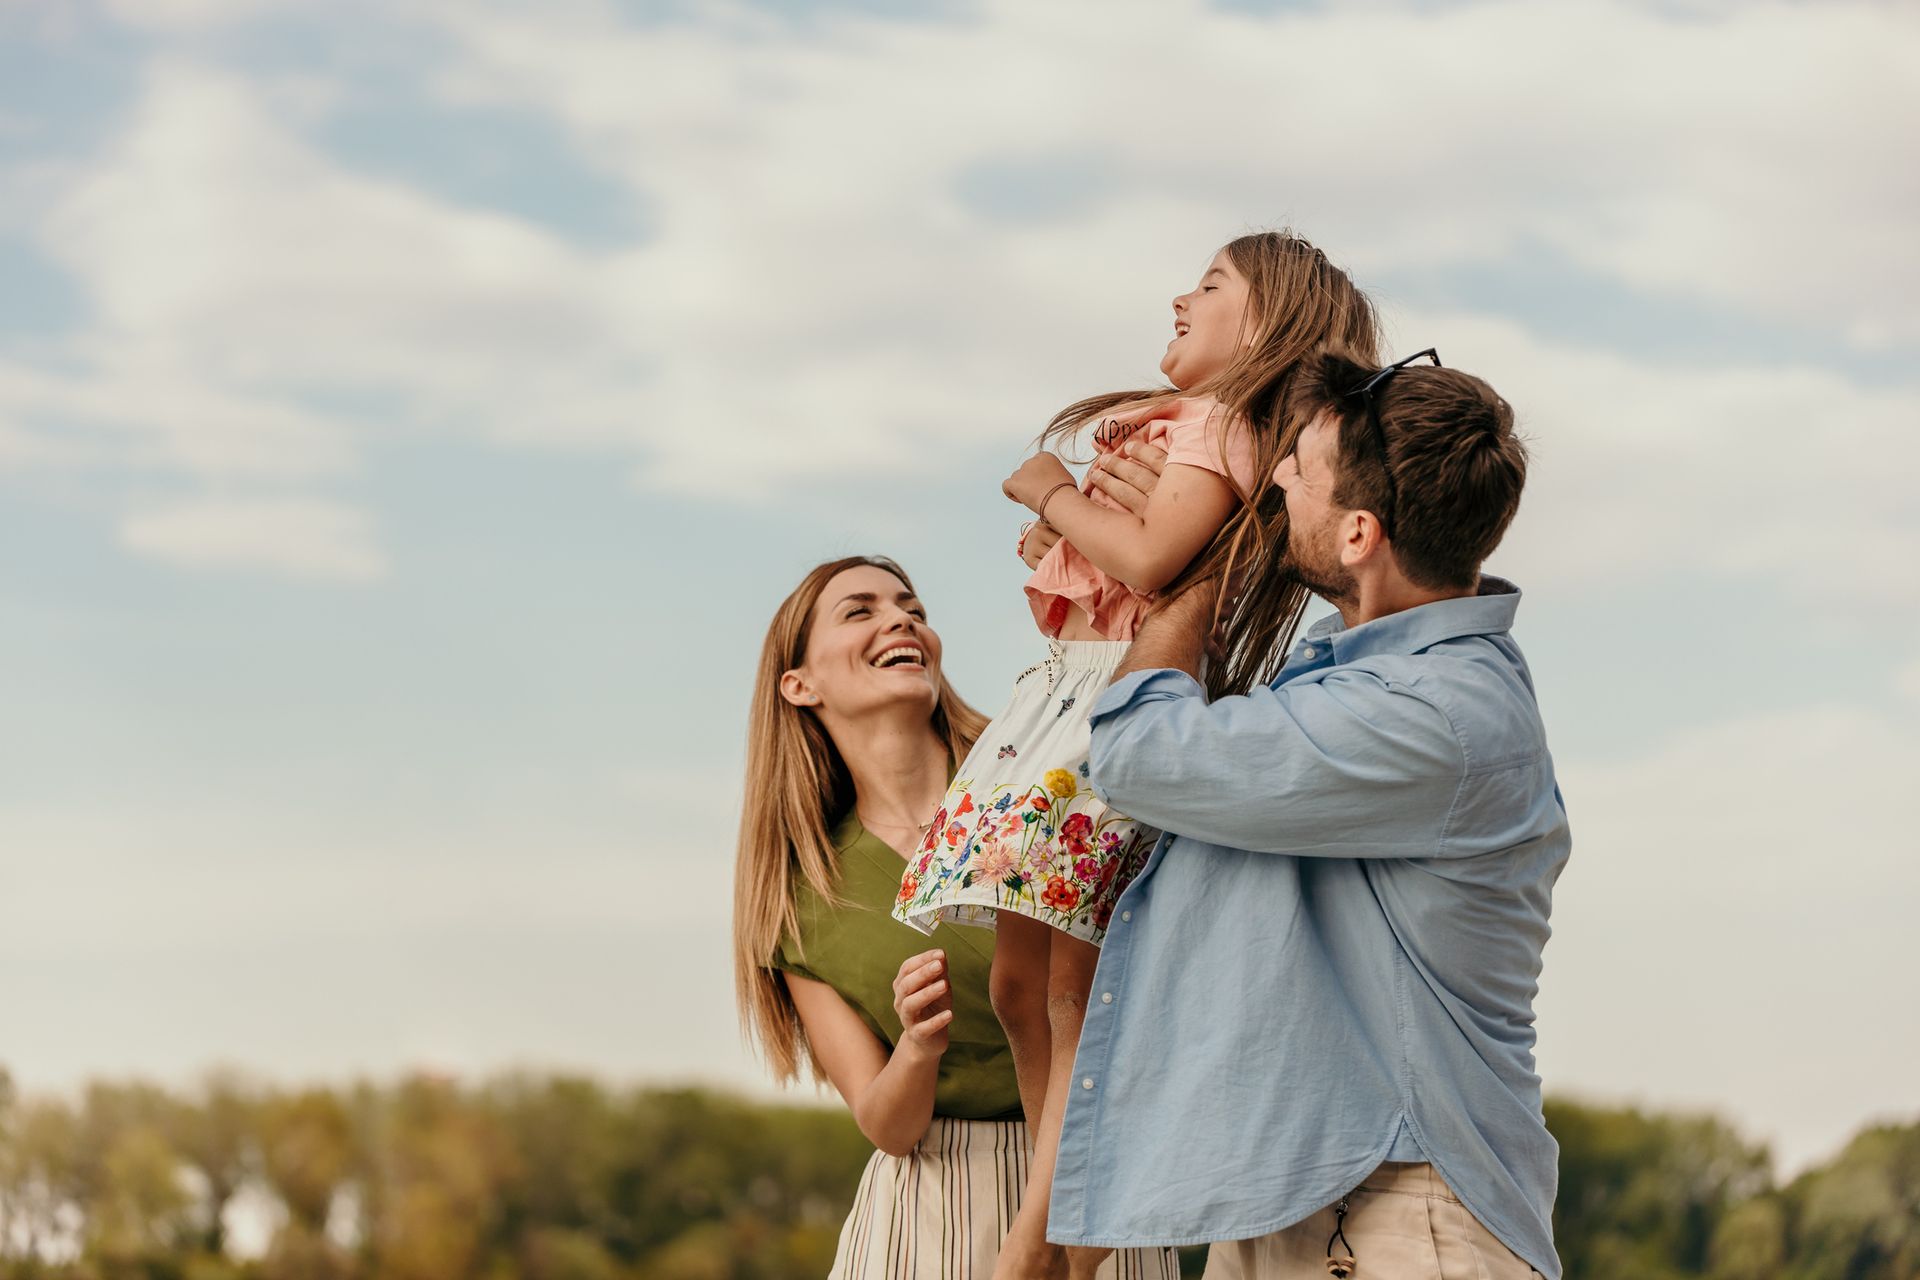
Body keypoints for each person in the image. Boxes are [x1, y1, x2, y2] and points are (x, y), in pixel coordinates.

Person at [893, 232, 1379, 1278]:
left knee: (1068, 987)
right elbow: (1133, 569)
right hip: (1065, 698)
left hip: (1104, 713)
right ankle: (1058, 1211)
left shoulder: (1217, 424)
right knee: (1022, 986)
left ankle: (1043, 1243)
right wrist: (1072, 545)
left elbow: (1158, 559)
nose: (1180, 296)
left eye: (1210, 285)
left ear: (1266, 324)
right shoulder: (1187, 430)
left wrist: (1051, 495)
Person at [1047, 349, 1571, 1280]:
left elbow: (1140, 753)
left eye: (1301, 469)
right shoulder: (1360, 679)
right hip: (1308, 1194)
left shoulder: (1431, 715)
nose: (1274, 477)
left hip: (1406, 1212)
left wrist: (1202, 572)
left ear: (1361, 532)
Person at [732, 554, 1179, 1279]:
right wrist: (915, 1045)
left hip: (1088, 1179)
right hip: (927, 1213)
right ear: (799, 684)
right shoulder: (796, 901)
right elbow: (886, 1125)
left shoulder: (1044, 779)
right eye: (860, 611)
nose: (900, 619)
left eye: (911, 607)